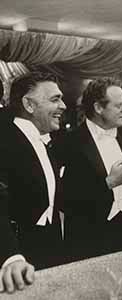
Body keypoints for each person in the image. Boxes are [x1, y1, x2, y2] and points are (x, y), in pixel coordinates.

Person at [57, 77, 122, 261]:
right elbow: (65, 199)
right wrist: (109, 182)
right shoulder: (69, 142)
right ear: (98, 108)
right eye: (119, 106)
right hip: (90, 237)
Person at [0, 72, 66, 271]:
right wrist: (11, 257)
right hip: (16, 258)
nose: (63, 106)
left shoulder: (46, 141)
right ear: (29, 105)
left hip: (48, 250)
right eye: (55, 99)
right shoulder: (4, 140)